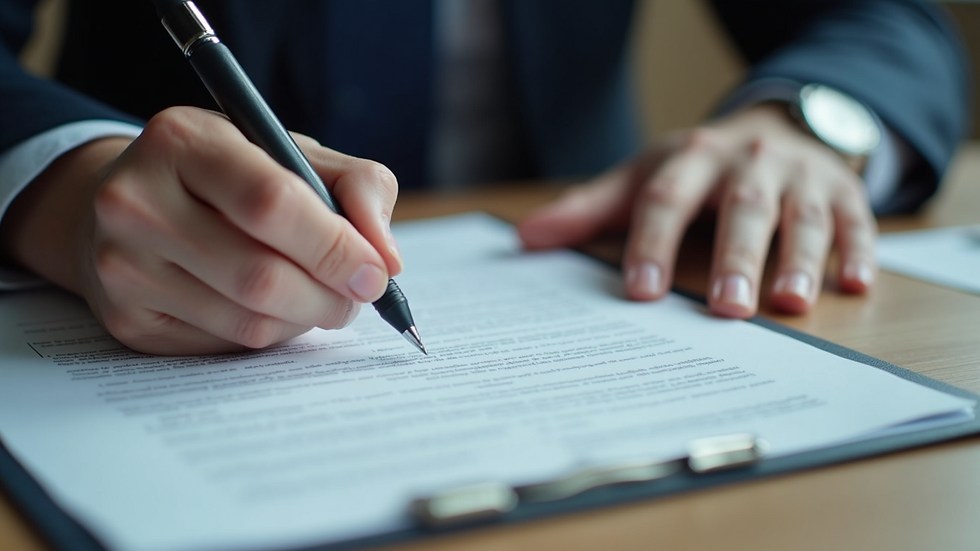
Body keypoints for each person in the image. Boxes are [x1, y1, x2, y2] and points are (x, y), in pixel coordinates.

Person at [0, 0, 969, 355]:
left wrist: (806, 120)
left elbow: (881, 20)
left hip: (581, 243)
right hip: (140, 271)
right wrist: (68, 180)